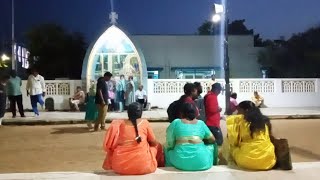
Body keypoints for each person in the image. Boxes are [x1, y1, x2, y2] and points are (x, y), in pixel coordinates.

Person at [102, 102, 164, 175]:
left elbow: (108, 146)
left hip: (120, 167)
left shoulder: (119, 124)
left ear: (128, 113)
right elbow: (154, 143)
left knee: (112, 151)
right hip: (144, 166)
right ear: (141, 113)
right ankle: (160, 166)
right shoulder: (145, 123)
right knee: (158, 146)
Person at [165, 102, 218, 171]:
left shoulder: (176, 122)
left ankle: (168, 167)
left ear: (181, 113)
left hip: (180, 162)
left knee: (166, 149)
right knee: (213, 146)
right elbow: (212, 140)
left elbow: (170, 142)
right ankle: (215, 164)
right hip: (202, 162)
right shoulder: (201, 123)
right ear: (196, 113)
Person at [225, 101, 276, 170]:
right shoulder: (265, 120)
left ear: (245, 110)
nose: (237, 113)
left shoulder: (240, 121)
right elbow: (270, 137)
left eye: (239, 110)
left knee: (229, 145)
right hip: (268, 162)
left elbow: (233, 141)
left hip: (246, 161)